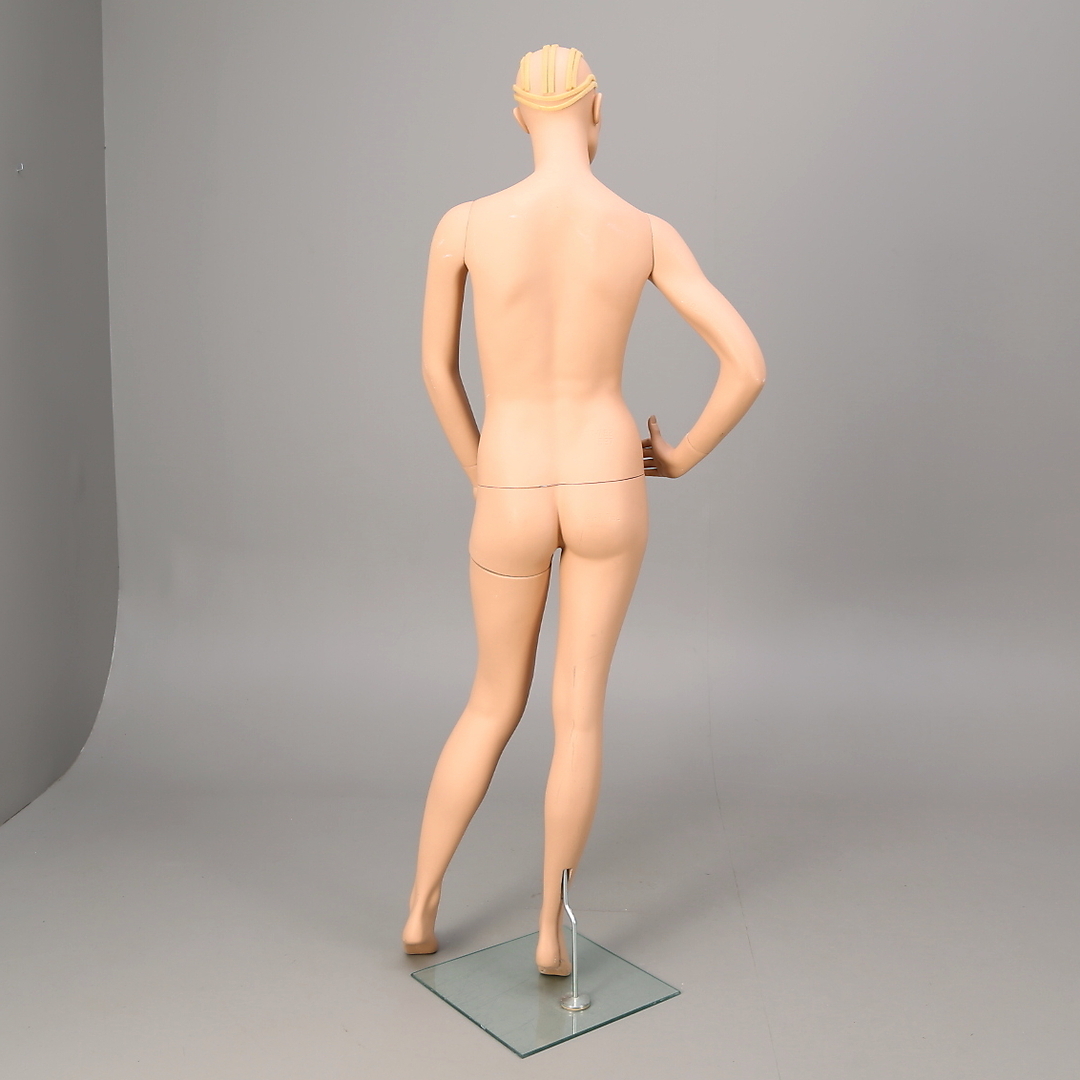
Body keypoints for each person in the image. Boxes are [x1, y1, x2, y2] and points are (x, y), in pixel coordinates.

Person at [403, 44, 766, 975]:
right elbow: (747, 365)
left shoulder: (465, 226)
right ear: (597, 111)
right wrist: (677, 455)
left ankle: (421, 907)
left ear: (518, 116)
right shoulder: (641, 231)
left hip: (512, 474)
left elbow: (437, 370)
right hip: (608, 478)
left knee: (491, 702)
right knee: (579, 714)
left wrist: (482, 472)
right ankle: (549, 932)